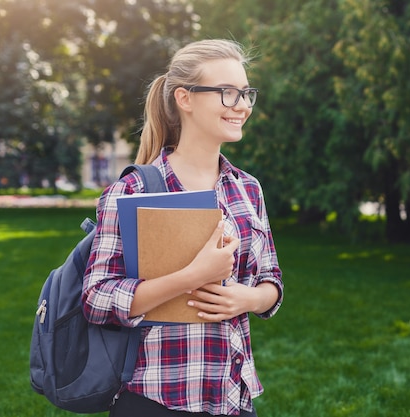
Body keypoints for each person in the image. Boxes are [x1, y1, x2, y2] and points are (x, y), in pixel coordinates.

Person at [82, 39, 283, 417]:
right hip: (157, 397)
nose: (241, 105)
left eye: (245, 93)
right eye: (226, 92)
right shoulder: (132, 191)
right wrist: (192, 276)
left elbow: (272, 280)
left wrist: (248, 300)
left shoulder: (248, 189)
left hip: (233, 399)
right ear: (184, 99)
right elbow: (96, 299)